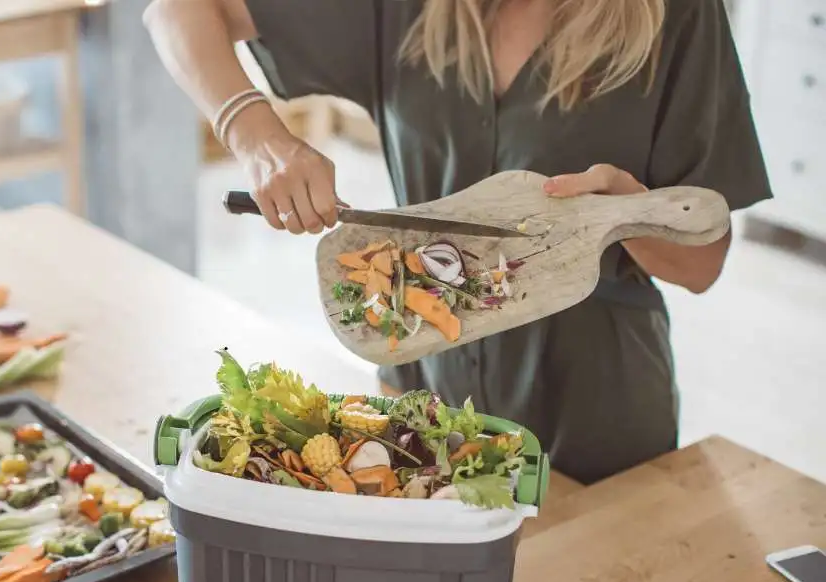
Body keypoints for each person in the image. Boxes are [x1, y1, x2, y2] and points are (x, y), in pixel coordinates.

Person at [144, 0, 770, 484]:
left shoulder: (676, 15)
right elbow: (176, 10)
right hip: (425, 400)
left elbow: (702, 266)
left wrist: (629, 211)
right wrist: (256, 135)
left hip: (597, 411)